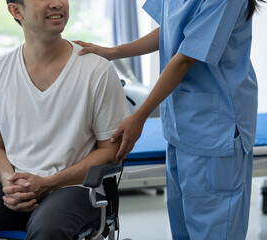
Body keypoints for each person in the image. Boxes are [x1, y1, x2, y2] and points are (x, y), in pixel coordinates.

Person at [0, 0, 130, 239]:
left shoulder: (97, 70)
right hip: (13, 186)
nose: (57, 4)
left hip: (74, 188)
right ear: (15, 10)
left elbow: (110, 151)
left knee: (48, 231)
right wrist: (8, 182)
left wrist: (49, 182)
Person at [75, 0, 264, 239]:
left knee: (213, 230)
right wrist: (113, 52)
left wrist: (139, 116)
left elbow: (185, 57)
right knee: (183, 226)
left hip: (216, 129)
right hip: (181, 126)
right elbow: (168, 31)